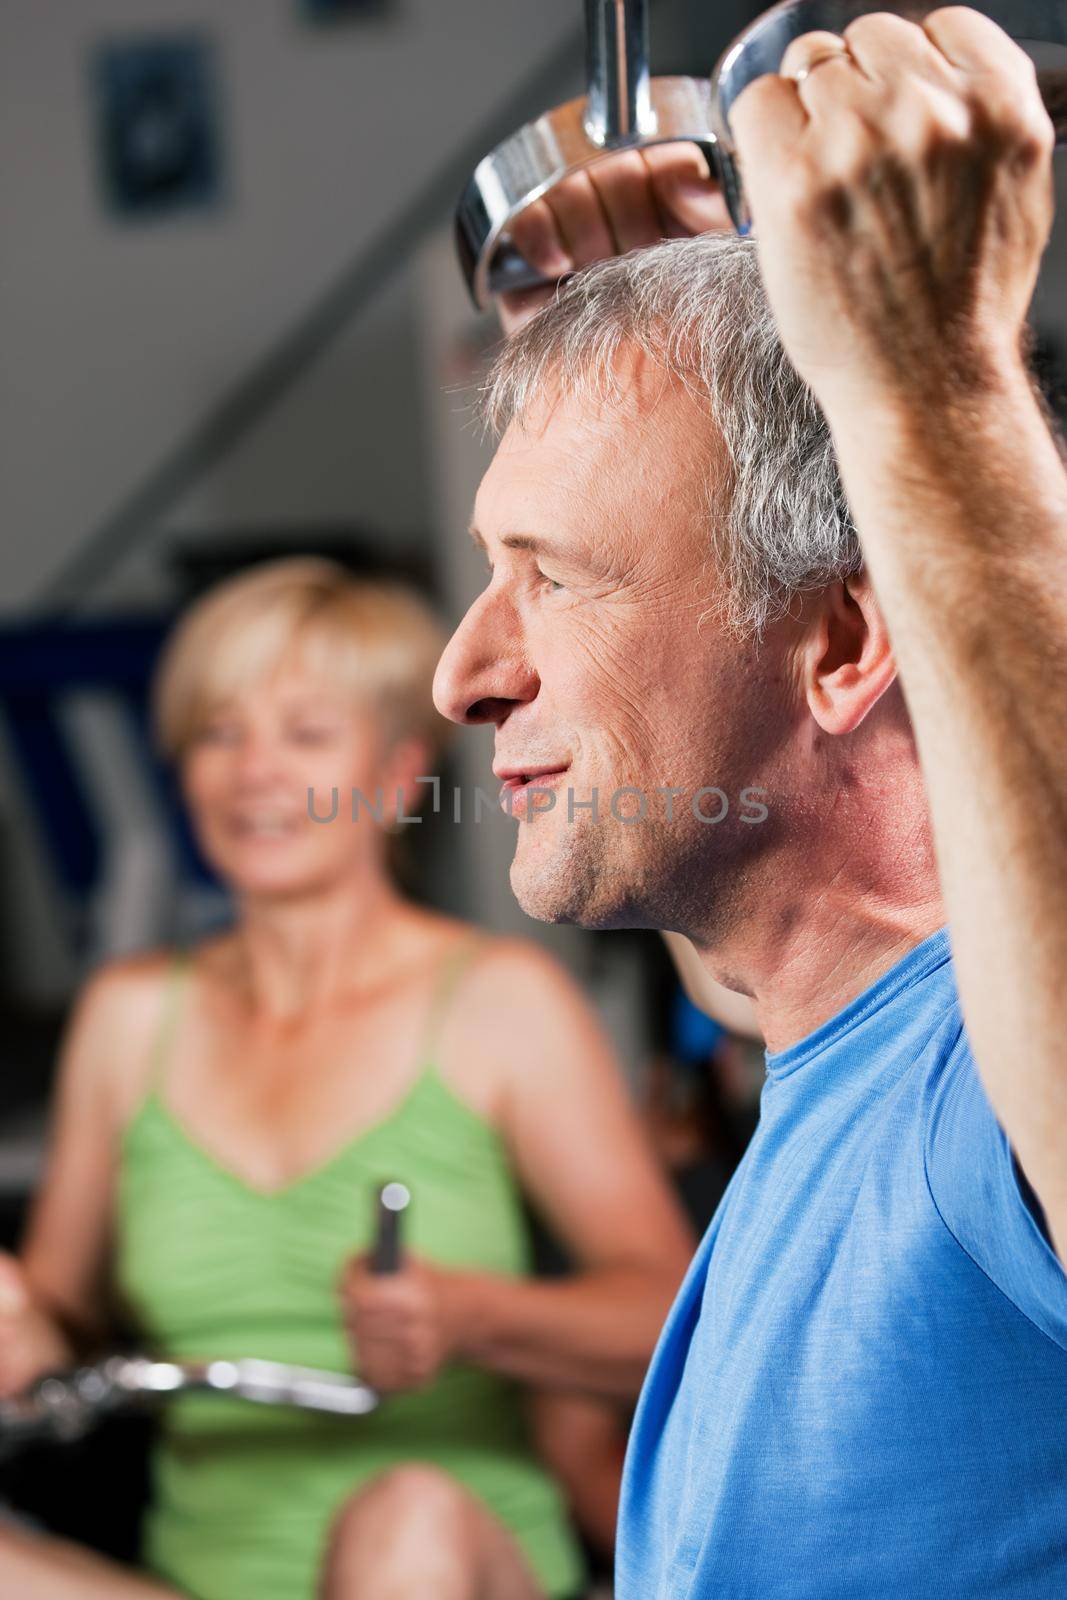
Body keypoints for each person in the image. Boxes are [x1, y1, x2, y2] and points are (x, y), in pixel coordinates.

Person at [432, 9, 1067, 1595]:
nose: (462, 673)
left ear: (845, 640)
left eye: (551, 582)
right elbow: (750, 879)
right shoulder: (823, 1032)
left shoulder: (976, 1099)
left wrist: (927, 382)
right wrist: (690, 328)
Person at [0, 556, 694, 1599]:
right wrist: (18, 1327)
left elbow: (674, 1325)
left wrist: (471, 1315)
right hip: (195, 1581)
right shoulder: (128, 1015)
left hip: (439, 1564)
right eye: (219, 733)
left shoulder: (498, 1002)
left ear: (396, 774)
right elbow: (59, 1322)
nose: (254, 773)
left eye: (305, 735)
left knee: (402, 1520)